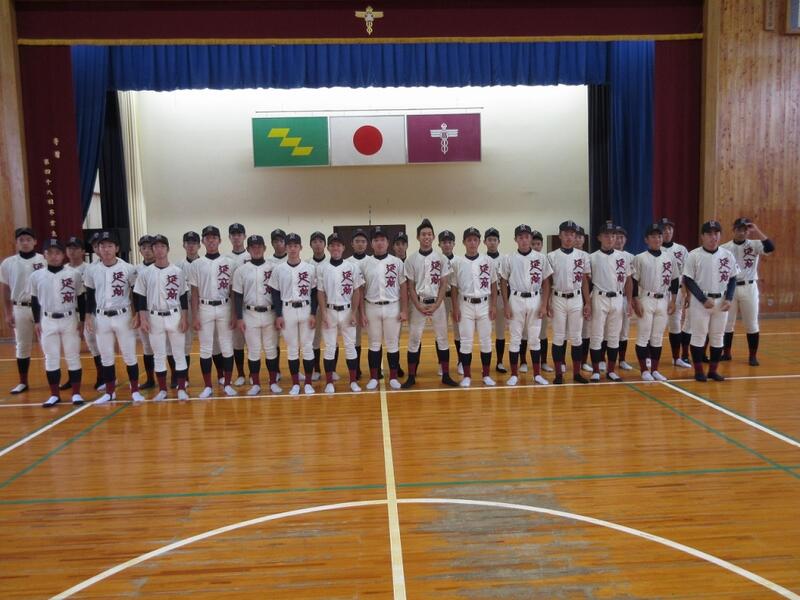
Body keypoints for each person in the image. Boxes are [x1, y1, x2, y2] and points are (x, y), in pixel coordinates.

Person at [84, 231, 143, 404]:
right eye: (102, 246)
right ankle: (110, 392)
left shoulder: (128, 268)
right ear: (98, 249)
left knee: (129, 355)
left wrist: (137, 313)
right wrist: (88, 316)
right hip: (101, 316)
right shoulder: (92, 269)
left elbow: (136, 293)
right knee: (106, 356)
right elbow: (90, 295)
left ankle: (135, 390)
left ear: (116, 248)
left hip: (123, 315)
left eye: (110, 246)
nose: (106, 249)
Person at [29, 239, 86, 407]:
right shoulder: (36, 276)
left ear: (63, 255)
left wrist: (82, 320)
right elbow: (34, 300)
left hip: (69, 318)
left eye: (57, 253)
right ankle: (54, 395)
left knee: (73, 356)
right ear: (44, 255)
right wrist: (36, 321)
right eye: (50, 253)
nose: (54, 256)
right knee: (51, 357)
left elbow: (81, 298)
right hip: (47, 319)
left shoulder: (73, 274)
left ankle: (76, 393)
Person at [681, 220, 739, 381]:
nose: (713, 237)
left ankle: (713, 370)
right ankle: (699, 371)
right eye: (709, 234)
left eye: (716, 233)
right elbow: (688, 279)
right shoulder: (694, 255)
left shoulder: (727, 255)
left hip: (721, 300)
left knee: (718, 336)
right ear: (702, 236)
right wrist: (702, 299)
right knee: (699, 335)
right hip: (700, 302)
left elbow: (733, 278)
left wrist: (729, 298)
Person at [403, 219, 457, 388]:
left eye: (429, 234)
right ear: (418, 237)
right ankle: (411, 376)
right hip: (418, 303)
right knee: (414, 339)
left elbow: (444, 284)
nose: (426, 237)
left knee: (442, 339)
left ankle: (446, 375)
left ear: (433, 237)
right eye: (423, 234)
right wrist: (418, 305)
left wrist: (437, 304)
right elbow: (410, 286)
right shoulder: (411, 260)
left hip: (437, 303)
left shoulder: (441, 258)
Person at [134, 234, 190, 401]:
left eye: (162, 246)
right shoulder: (145, 273)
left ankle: (181, 388)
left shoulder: (177, 272)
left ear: (167, 249)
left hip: (174, 315)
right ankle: (162, 390)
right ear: (152, 250)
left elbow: (183, 297)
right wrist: (143, 318)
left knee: (178, 353)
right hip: (154, 317)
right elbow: (141, 298)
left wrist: (185, 318)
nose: (159, 249)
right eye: (156, 247)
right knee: (158, 355)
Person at [498, 224, 552, 386]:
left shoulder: (540, 258)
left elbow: (546, 282)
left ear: (531, 238)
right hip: (516, 298)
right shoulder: (508, 258)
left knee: (535, 338)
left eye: (526, 237)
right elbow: (503, 281)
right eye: (520, 237)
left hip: (535, 298)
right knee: (515, 338)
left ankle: (537, 375)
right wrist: (506, 304)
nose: (524, 240)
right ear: (515, 239)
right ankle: (514, 374)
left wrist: (544, 305)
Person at [189, 225, 237, 398]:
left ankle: (228, 384)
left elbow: (233, 291)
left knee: (226, 346)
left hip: (225, 306)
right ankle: (208, 386)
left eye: (214, 237)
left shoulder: (229, 263)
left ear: (220, 240)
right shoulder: (196, 264)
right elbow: (194, 292)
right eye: (207, 238)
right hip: (205, 307)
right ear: (203, 241)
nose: (211, 240)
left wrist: (234, 314)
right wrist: (195, 316)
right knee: (205, 348)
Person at [233, 234, 282, 396]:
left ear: (265, 248)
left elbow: (277, 294)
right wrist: (239, 318)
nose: (256, 249)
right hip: (249, 313)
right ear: (248, 249)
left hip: (270, 312)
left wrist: (279, 315)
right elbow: (238, 296)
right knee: (253, 351)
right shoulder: (241, 270)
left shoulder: (273, 268)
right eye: (253, 247)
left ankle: (273, 382)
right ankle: (256, 384)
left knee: (271, 350)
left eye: (259, 246)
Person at [721, 218, 775, 365]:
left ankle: (752, 356)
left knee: (751, 323)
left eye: (745, 229)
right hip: (730, 288)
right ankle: (726, 353)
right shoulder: (724, 248)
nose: (742, 232)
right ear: (733, 230)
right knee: (727, 323)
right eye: (739, 229)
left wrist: (756, 230)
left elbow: (770, 247)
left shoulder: (755, 244)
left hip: (749, 286)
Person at [269, 233, 318, 395]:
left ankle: (308, 383)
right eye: (289, 246)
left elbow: (314, 293)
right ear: (285, 247)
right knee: (292, 348)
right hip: (287, 309)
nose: (292, 249)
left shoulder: (310, 268)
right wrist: (278, 315)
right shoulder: (279, 269)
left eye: (295, 246)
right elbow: (275, 293)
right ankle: (295, 383)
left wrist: (313, 313)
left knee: (307, 347)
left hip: (305, 308)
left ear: (301, 248)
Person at [360, 226, 407, 390]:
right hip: (371, 307)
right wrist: (361, 313)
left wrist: (404, 310)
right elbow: (360, 290)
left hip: (392, 307)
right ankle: (374, 377)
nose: (379, 243)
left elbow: (403, 287)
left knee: (392, 344)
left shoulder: (397, 262)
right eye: (376, 240)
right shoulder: (365, 263)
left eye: (382, 240)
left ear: (387, 243)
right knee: (374, 343)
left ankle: (393, 377)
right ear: (371, 243)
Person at [316, 232, 364, 393]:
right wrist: (323, 313)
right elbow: (320, 292)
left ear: (343, 247)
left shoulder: (352, 267)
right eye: (332, 245)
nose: (335, 248)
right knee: (330, 347)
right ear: (328, 248)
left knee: (350, 346)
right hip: (330, 310)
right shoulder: (322, 268)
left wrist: (354, 312)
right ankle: (329, 382)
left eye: (338, 245)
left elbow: (357, 291)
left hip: (347, 310)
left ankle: (353, 381)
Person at [450, 227, 498, 388]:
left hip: (484, 304)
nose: (472, 243)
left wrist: (493, 305)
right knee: (466, 341)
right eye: (469, 240)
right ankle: (467, 376)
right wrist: (455, 308)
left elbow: (494, 284)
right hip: (465, 304)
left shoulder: (488, 261)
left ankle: (486, 375)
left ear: (479, 242)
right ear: (464, 242)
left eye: (475, 240)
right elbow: (454, 288)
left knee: (486, 341)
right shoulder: (456, 263)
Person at [0, 227, 46, 394]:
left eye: (28, 240)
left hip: (41, 307)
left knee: (47, 344)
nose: (25, 243)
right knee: (22, 345)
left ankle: (53, 381)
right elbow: (5, 289)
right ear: (16, 242)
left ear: (35, 242)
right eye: (21, 240)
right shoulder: (8, 263)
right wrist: (7, 313)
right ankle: (23, 382)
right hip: (20, 307)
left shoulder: (44, 260)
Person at [631, 223, 679, 381]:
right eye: (653, 236)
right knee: (644, 335)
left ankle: (655, 370)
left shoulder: (669, 257)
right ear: (646, 239)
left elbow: (675, 280)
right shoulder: (640, 258)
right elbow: (634, 281)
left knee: (657, 337)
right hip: (646, 298)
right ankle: (644, 370)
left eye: (659, 236)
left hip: (663, 299)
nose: (657, 239)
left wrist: (673, 300)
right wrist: (635, 300)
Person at [546, 221, 591, 384]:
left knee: (577, 337)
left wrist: (588, 302)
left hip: (576, 298)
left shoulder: (583, 256)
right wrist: (547, 302)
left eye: (572, 234)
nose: (569, 237)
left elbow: (585, 281)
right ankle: (559, 374)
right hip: (558, 298)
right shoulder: (551, 256)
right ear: (560, 236)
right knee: (559, 337)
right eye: (566, 234)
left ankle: (577, 373)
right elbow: (548, 281)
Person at [587, 223, 632, 382]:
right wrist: (587, 303)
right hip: (599, 297)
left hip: (618, 298)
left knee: (614, 336)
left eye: (613, 235)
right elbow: (586, 282)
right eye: (606, 235)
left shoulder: (623, 257)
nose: (610, 238)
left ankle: (611, 371)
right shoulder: (592, 257)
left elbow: (628, 280)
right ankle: (596, 370)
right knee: (597, 335)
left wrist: (630, 301)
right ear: (599, 237)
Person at [659, 217, 691, 367]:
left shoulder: (681, 250)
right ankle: (650, 358)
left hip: (677, 292)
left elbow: (687, 273)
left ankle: (676, 357)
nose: (667, 231)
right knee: (656, 326)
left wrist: (687, 293)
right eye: (664, 229)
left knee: (676, 325)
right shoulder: (655, 249)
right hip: (659, 292)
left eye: (669, 229)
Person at [225, 222, 250, 386]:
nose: (236, 237)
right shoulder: (225, 259)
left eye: (239, 234)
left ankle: (258, 373)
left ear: (244, 236)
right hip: (233, 304)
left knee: (253, 342)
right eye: (233, 235)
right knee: (237, 341)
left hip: (251, 303)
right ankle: (240, 373)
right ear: (229, 237)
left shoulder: (251, 256)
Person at [438, 229, 462, 375]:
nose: (447, 245)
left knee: (458, 331)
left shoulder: (459, 261)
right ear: (439, 244)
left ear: (453, 244)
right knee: (441, 332)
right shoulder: (436, 260)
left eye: (449, 242)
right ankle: (441, 363)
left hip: (457, 298)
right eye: (444, 242)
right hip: (441, 299)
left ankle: (461, 361)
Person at [135, 235, 157, 389]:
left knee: (167, 347)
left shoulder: (163, 266)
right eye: (144, 248)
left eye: (150, 247)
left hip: (161, 311)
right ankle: (150, 379)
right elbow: (134, 294)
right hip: (144, 312)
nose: (147, 250)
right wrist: (137, 313)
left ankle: (175, 378)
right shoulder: (136, 270)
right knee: (147, 347)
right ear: (140, 251)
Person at [348, 228, 370, 379]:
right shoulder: (347, 262)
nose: (360, 244)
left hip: (371, 303)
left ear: (367, 244)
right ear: (352, 244)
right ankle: (356, 369)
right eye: (357, 241)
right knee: (355, 337)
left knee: (374, 337)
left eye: (363, 241)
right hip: (354, 304)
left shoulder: (372, 261)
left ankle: (376, 369)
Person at [484, 227, 506, 373]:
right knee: (485, 332)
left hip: (499, 297)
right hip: (485, 298)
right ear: (485, 242)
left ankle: (499, 362)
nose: (492, 242)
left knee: (500, 331)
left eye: (494, 240)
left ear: (499, 242)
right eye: (489, 240)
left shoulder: (504, 259)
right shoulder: (481, 259)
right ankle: (485, 364)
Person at [613, 226, 636, 371]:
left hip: (624, 297)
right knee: (608, 331)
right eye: (616, 237)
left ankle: (622, 360)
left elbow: (632, 281)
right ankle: (603, 360)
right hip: (609, 296)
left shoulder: (630, 257)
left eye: (622, 237)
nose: (619, 240)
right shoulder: (605, 255)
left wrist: (631, 301)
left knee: (624, 330)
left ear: (625, 240)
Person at [531, 230, 554, 373]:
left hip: (542, 300)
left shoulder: (545, 260)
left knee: (542, 333)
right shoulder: (524, 259)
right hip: (527, 300)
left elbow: (549, 284)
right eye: (533, 244)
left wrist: (547, 303)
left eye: (538, 244)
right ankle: (523, 362)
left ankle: (544, 362)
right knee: (526, 334)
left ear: (542, 245)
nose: (535, 246)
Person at [309, 231, 329, 381]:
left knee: (331, 339)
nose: (317, 245)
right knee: (314, 339)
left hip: (329, 305)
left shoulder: (330, 263)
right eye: (314, 242)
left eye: (320, 242)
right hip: (312, 306)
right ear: (310, 245)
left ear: (325, 245)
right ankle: (316, 369)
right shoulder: (306, 264)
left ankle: (331, 370)